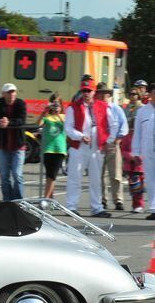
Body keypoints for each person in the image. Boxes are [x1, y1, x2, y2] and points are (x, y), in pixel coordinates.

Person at [64, 77, 116, 217]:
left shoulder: (103, 106)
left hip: (96, 148)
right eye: (84, 90)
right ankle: (71, 206)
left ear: (94, 92)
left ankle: (97, 208)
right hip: (78, 147)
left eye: (89, 90)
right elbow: (68, 128)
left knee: (96, 179)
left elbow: (113, 125)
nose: (86, 93)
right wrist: (81, 136)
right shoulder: (73, 107)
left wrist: (108, 141)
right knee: (75, 177)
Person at [95, 83, 129, 210]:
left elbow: (123, 124)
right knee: (100, 174)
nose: (104, 96)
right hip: (99, 145)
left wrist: (119, 139)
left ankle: (118, 200)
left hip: (113, 143)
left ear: (110, 95)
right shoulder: (94, 108)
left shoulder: (115, 108)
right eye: (101, 93)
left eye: (107, 93)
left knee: (116, 174)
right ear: (97, 95)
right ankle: (102, 199)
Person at [0, 83, 28, 201]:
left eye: (13, 91)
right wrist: (0, 121)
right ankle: (7, 201)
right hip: (2, 145)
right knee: (4, 176)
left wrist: (9, 123)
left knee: (17, 175)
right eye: (9, 92)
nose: (11, 94)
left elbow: (21, 120)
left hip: (18, 145)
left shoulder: (21, 103)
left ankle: (19, 202)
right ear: (3, 94)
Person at [35, 95, 66, 201]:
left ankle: (45, 199)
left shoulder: (63, 117)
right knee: (49, 175)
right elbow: (38, 124)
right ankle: (51, 199)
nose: (56, 106)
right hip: (48, 149)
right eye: (54, 103)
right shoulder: (47, 117)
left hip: (59, 149)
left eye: (58, 104)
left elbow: (67, 126)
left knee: (52, 175)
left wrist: (58, 114)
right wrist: (44, 111)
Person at [134, 84, 155, 220]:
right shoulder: (143, 111)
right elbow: (137, 133)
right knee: (151, 179)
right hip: (148, 150)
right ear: (150, 94)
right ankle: (154, 208)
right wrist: (136, 151)